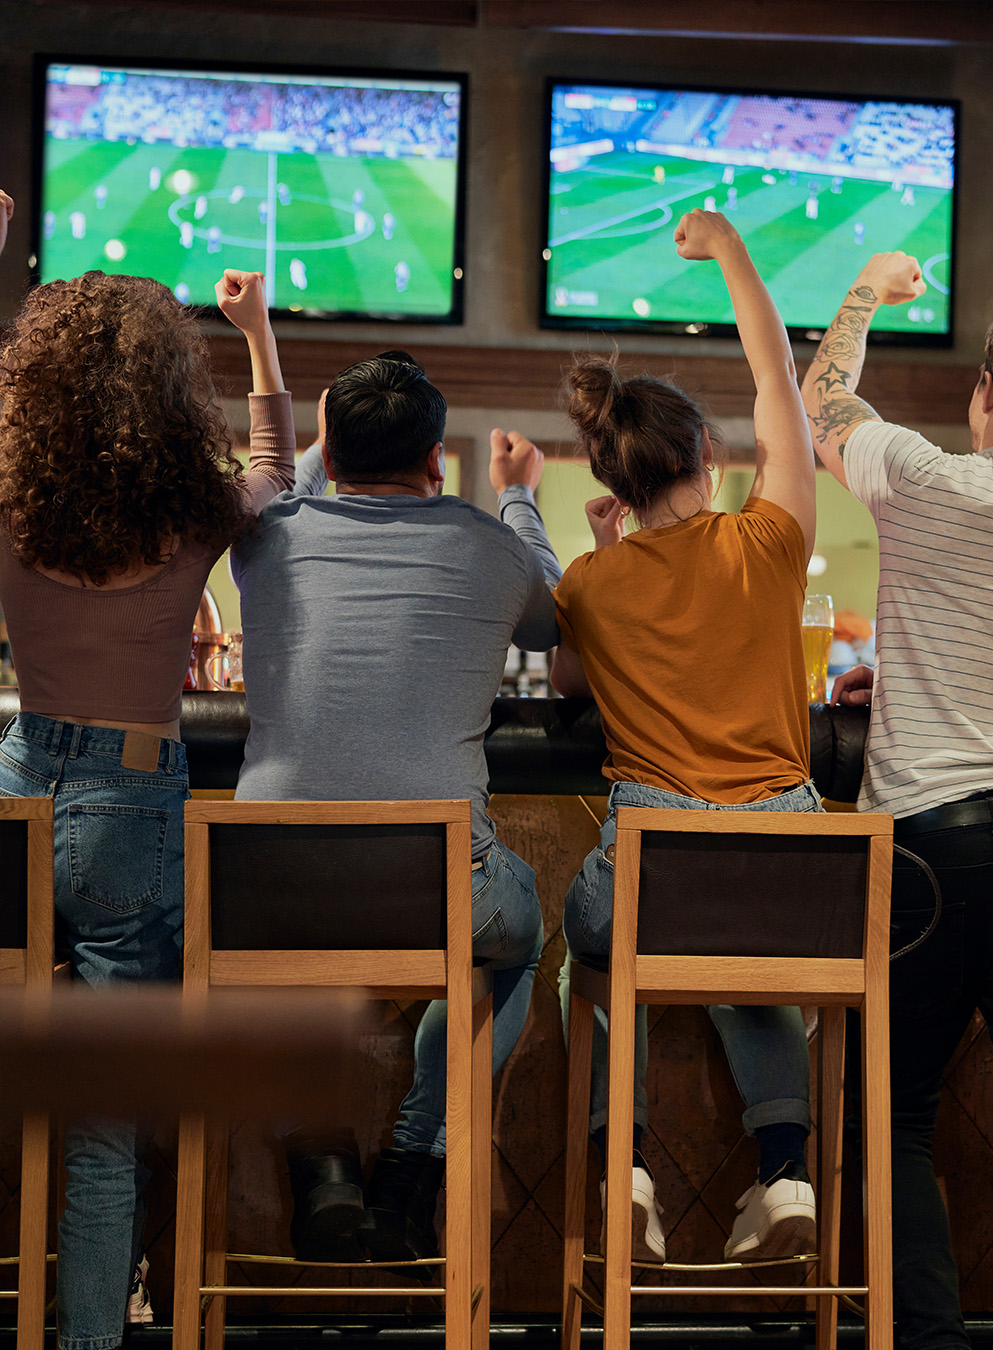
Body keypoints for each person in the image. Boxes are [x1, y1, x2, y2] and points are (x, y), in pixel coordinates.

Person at [0, 196, 295, 1350]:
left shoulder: (15, 494)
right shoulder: (194, 509)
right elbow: (277, 461)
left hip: (17, 783)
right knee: (106, 1128)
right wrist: (261, 335)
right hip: (129, 796)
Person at [801, 252, 993, 1350]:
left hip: (927, 847)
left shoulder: (918, 476)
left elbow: (825, 396)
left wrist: (866, 292)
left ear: (984, 394)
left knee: (895, 1113)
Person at [230, 350, 561, 1266]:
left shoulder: (262, 540)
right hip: (440, 893)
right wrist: (521, 496)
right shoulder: (488, 543)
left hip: (268, 894)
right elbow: (554, 617)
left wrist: (309, 441)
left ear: (326, 459)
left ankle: (322, 1166)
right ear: (436, 462)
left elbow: (273, 487)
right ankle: (417, 1163)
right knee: (519, 932)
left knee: (261, 958)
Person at [550, 208, 820, 1265]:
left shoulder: (588, 584)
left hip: (651, 869)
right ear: (708, 452)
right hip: (786, 869)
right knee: (748, 965)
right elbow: (781, 392)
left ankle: (625, 1162)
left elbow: (569, 681)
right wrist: (733, 256)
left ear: (610, 483)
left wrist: (599, 552)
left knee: (591, 955)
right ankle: (786, 1174)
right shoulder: (769, 541)